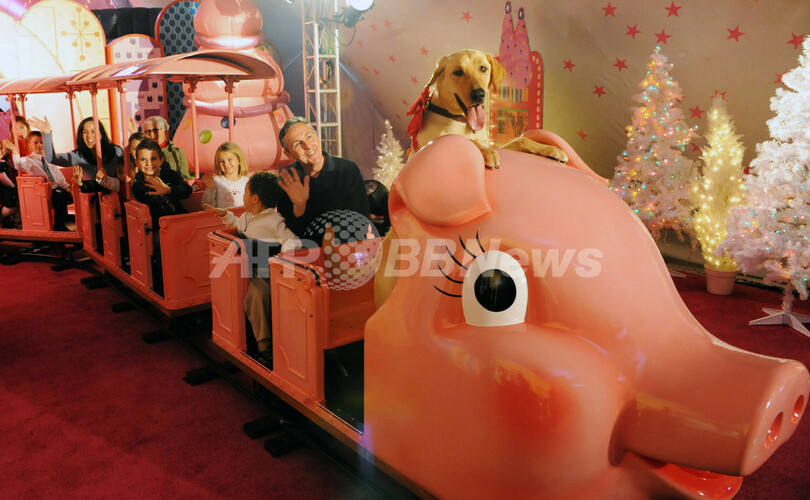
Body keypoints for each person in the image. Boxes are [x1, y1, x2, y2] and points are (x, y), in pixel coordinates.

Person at [206, 172, 301, 362]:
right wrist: (225, 214)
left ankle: (264, 344)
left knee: (256, 296)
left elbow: (292, 240)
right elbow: (237, 225)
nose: (243, 196)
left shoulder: (274, 220)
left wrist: (281, 259)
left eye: (245, 193)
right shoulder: (247, 216)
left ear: (255, 199)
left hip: (265, 271)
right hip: (245, 269)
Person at [276, 117, 369, 246]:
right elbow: (289, 235)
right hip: (307, 252)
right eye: (298, 144)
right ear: (288, 154)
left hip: (346, 248)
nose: (308, 146)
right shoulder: (288, 179)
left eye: (309, 137)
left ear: (317, 137)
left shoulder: (347, 170)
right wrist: (299, 207)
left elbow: (360, 219)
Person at [32, 116, 124, 193]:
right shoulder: (78, 156)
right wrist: (47, 133)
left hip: (118, 195)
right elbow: (52, 159)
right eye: (85, 132)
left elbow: (124, 175)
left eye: (93, 131)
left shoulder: (116, 151)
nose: (89, 136)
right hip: (94, 199)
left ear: (101, 133)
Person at [6, 131, 72, 231]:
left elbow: (58, 177)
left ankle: (63, 222)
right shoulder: (28, 160)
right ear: (29, 145)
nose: (39, 145)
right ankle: (59, 225)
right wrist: (14, 151)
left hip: (54, 189)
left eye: (42, 142)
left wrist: (67, 187)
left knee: (66, 193)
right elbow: (19, 165)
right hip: (41, 191)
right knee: (60, 196)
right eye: (36, 143)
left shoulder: (49, 159)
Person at [131, 139, 192, 222]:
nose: (149, 163)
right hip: (160, 225)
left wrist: (169, 190)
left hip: (181, 219)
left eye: (153, 159)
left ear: (161, 160)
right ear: (137, 162)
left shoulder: (171, 175)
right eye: (143, 159)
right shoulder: (138, 186)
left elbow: (187, 191)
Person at [200, 141, 250, 209]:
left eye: (229, 159)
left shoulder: (247, 182)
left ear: (239, 160)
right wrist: (210, 189)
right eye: (222, 161)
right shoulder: (216, 182)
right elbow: (205, 207)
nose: (226, 164)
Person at [142, 115, 191, 180]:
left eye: (155, 130)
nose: (151, 134)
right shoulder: (142, 153)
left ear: (165, 131)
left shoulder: (177, 152)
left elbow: (185, 178)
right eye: (147, 131)